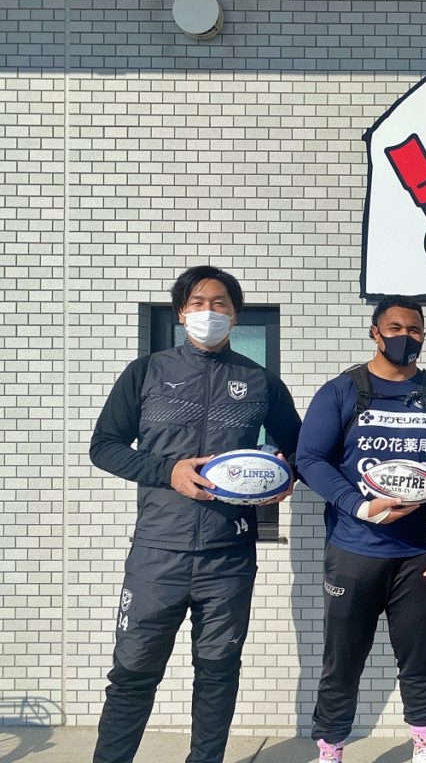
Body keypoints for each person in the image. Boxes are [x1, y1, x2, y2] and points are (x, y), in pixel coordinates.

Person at [89, 266, 301, 763]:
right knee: (133, 673)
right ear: (182, 313)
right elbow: (104, 446)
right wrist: (168, 471)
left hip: (228, 555)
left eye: (220, 303)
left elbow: (300, 451)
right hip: (157, 554)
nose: (210, 312)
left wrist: (282, 477)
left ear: (235, 315)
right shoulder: (146, 372)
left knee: (218, 673)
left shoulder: (260, 381)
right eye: (198, 303)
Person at [296, 296, 426, 763]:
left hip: (418, 555)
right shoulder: (342, 391)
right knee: (342, 659)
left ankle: (425, 745)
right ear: (375, 332)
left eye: (414, 330)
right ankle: (330, 747)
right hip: (353, 551)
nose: (405, 337)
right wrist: (358, 505)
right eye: (395, 328)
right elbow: (309, 459)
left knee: (419, 658)